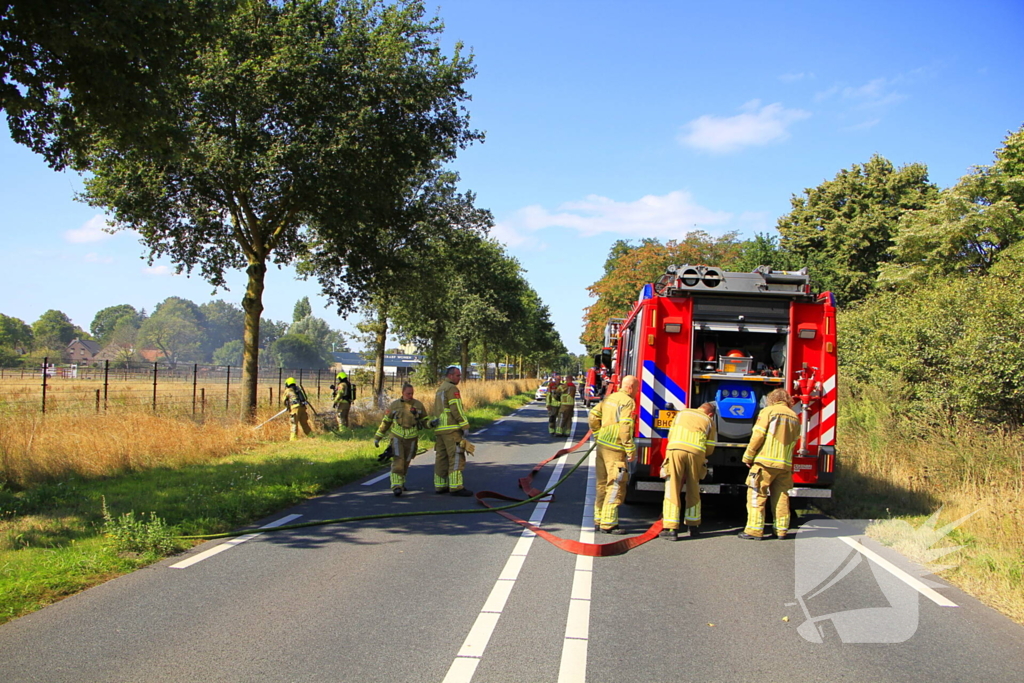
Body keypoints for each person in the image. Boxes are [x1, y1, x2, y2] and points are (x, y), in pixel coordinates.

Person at [739, 388, 802, 540]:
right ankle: (781, 530)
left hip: (765, 462)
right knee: (781, 497)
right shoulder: (794, 416)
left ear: (772, 399)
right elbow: (795, 440)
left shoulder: (768, 411)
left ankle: (754, 531)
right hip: (784, 465)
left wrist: (748, 456)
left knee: (756, 494)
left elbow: (758, 435)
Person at [587, 375, 639, 534]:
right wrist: (630, 448)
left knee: (602, 483)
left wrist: (597, 433)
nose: (637, 392)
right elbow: (625, 427)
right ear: (630, 387)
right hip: (616, 448)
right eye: (636, 388)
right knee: (616, 483)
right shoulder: (628, 402)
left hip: (602, 445)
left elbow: (593, 415)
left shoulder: (610, 398)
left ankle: (598, 519)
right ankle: (609, 524)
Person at [659, 403, 717, 540]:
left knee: (673, 487)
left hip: (675, 449)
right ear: (710, 414)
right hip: (696, 453)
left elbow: (671, 435)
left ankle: (671, 528)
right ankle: (693, 526)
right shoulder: (709, 421)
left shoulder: (682, 413)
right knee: (693, 488)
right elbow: (710, 448)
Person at [374, 383, 428, 497]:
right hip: (397, 437)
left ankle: (401, 482)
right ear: (402, 393)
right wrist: (377, 437)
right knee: (398, 461)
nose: (410, 396)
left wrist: (432, 424)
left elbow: (425, 421)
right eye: (408, 393)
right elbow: (386, 422)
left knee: (406, 461)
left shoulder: (418, 405)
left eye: (412, 393)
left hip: (412, 438)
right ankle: (396, 485)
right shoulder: (394, 405)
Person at [433, 366, 472, 496]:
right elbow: (456, 409)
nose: (459, 378)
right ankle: (456, 487)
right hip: (451, 430)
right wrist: (464, 425)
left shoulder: (440, 389)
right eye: (457, 376)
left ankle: (440, 486)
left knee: (441, 458)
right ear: (450, 375)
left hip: (440, 431)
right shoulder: (451, 389)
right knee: (456, 456)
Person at [283, 376, 312, 441]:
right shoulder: (298, 389)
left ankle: (293, 439)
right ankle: (311, 436)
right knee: (304, 423)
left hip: (295, 408)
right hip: (303, 407)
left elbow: (284, 401)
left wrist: (287, 406)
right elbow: (305, 398)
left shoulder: (288, 391)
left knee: (294, 423)